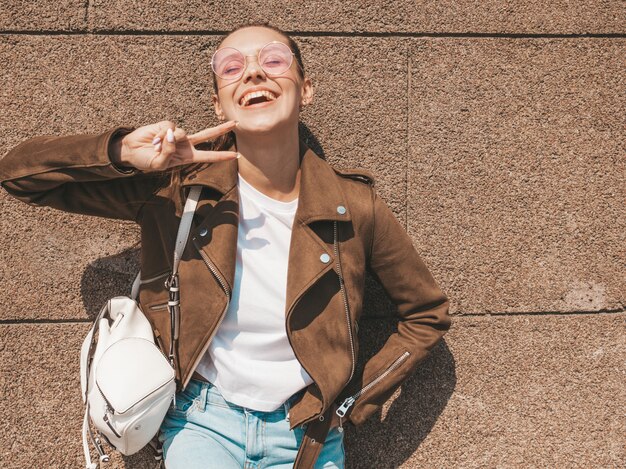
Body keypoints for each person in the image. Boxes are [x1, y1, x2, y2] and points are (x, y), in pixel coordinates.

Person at [0, 22, 451, 469]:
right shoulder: (176, 191)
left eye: (274, 60)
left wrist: (354, 402)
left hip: (308, 434)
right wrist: (121, 153)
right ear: (219, 104)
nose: (253, 73)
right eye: (232, 67)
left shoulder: (354, 207)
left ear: (306, 89)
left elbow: (425, 313)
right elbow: (19, 176)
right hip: (201, 423)